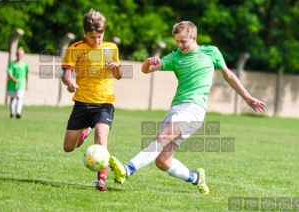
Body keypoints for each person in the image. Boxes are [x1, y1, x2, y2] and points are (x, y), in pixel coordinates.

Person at [109, 21, 267, 194]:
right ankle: (196, 178)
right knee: (162, 161)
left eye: (183, 41)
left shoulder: (210, 52)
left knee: (162, 137)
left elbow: (228, 75)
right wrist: (148, 62)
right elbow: (146, 70)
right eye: (177, 41)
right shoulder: (175, 57)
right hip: (176, 108)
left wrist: (248, 97)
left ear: (194, 38)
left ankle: (127, 169)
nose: (180, 45)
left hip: (194, 110)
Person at [61, 9, 122, 191]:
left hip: (104, 103)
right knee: (68, 147)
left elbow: (119, 75)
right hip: (82, 103)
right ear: (84, 33)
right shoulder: (75, 49)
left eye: (100, 37)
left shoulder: (111, 48)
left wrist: (116, 67)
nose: (97, 41)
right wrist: (70, 82)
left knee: (101, 137)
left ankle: (101, 180)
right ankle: (84, 130)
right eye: (93, 37)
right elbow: (66, 73)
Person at [7, 47, 29, 119]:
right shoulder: (12, 64)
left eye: (21, 55)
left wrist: (27, 84)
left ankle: (18, 113)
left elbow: (27, 75)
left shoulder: (25, 64)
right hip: (12, 84)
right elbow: (9, 73)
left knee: (19, 97)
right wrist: (14, 80)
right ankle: (12, 113)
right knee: (12, 98)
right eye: (18, 54)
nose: (19, 56)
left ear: (23, 55)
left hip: (21, 84)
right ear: (16, 54)